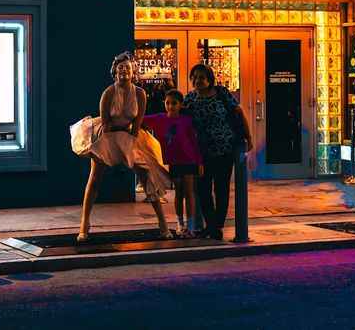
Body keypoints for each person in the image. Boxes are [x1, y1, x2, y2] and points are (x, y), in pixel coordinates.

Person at [72, 52, 172, 243]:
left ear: (133, 71)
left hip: (129, 134)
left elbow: (137, 124)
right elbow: (107, 124)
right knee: (95, 177)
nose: (124, 70)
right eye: (120, 68)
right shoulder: (109, 93)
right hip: (108, 134)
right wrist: (113, 147)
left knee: (147, 176)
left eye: (127, 67)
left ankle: (163, 224)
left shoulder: (140, 94)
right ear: (115, 72)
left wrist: (130, 146)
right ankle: (84, 225)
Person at [185, 63, 252, 241]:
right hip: (202, 152)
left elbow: (239, 112)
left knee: (221, 189)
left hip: (224, 149)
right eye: (195, 77)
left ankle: (217, 226)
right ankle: (211, 225)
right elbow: (180, 121)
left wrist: (248, 137)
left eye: (202, 77)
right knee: (203, 189)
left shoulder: (221, 93)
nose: (198, 80)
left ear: (210, 79)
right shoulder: (190, 99)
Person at [143, 89, 203, 237]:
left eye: (174, 103)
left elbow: (194, 142)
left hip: (188, 160)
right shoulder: (159, 118)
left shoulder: (186, 121)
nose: (170, 106)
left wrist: (199, 162)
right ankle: (179, 223)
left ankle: (190, 226)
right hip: (174, 162)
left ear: (180, 105)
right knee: (178, 193)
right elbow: (141, 120)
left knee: (189, 192)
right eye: (168, 103)